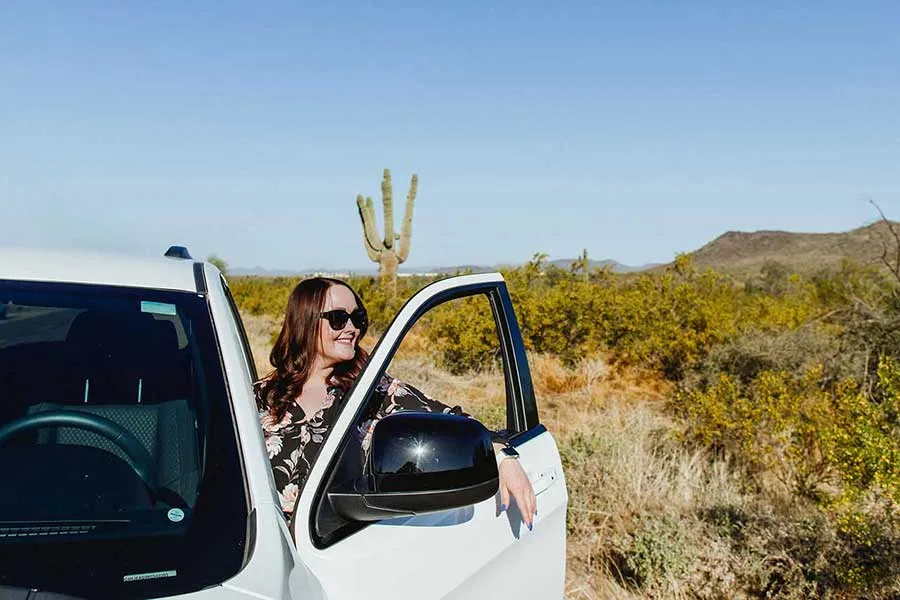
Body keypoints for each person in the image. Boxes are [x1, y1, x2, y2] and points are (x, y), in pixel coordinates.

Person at [256, 277, 537, 530]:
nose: (352, 328)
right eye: (339, 318)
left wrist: (503, 456)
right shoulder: (259, 396)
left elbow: (455, 421)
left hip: (326, 548)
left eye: (358, 318)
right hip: (255, 554)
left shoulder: (372, 389)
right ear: (304, 320)